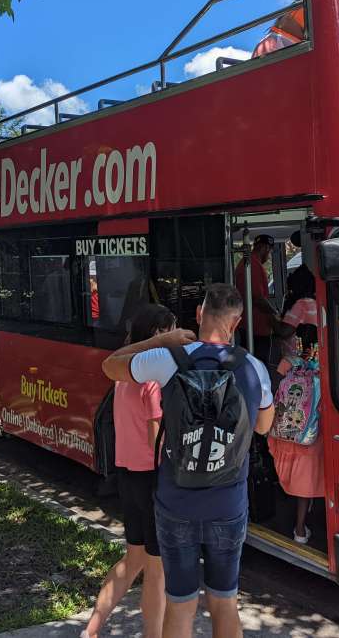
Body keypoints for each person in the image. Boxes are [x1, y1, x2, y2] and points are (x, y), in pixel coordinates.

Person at [102, 284, 275, 638]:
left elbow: (110, 366)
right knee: (224, 602)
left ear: (199, 314)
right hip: (228, 503)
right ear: (237, 321)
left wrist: (158, 342)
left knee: (180, 604)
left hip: (176, 502)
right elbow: (263, 426)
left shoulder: (169, 359)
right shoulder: (253, 367)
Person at [83, 304, 178, 638]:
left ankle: (92, 629)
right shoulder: (152, 378)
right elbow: (157, 437)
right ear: (156, 334)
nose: (176, 337)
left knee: (133, 559)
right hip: (153, 480)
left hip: (128, 478)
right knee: (157, 571)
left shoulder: (124, 376)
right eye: (171, 330)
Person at [269, 265, 324, 543]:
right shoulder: (322, 367)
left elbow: (275, 383)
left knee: (293, 476)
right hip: (310, 433)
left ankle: (294, 524)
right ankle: (302, 527)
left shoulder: (291, 361)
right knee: (309, 475)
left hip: (285, 431)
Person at [234, 234, 279, 364]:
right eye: (269, 251)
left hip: (253, 327)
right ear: (265, 248)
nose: (269, 255)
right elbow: (258, 298)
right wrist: (275, 315)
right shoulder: (251, 265)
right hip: (255, 330)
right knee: (258, 367)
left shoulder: (250, 263)